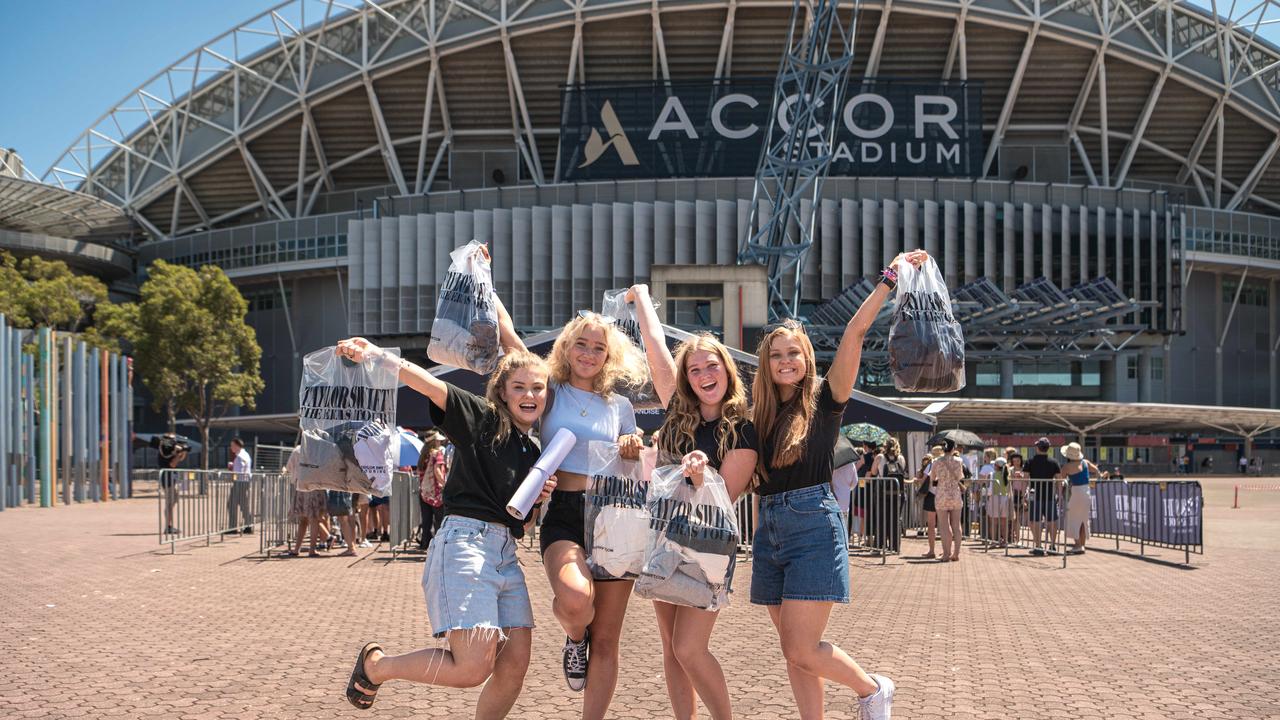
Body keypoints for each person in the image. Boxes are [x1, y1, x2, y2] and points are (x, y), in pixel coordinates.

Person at [749, 250, 926, 720]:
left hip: (812, 527)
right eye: (776, 355)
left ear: (807, 358)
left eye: (794, 354)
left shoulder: (827, 399)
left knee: (803, 647)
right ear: (766, 364)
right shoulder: (759, 414)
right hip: (767, 530)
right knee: (794, 649)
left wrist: (888, 278)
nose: (786, 361)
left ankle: (872, 689)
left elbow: (855, 332)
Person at [338, 337, 557, 716]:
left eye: (537, 387)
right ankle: (377, 666)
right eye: (519, 386)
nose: (529, 394)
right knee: (472, 668)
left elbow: (523, 522)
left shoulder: (534, 452)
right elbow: (428, 382)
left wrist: (538, 501)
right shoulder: (483, 417)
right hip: (465, 546)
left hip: (506, 555)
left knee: (514, 666)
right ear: (502, 392)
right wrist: (376, 355)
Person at [495, 297, 646, 717]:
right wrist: (484, 285)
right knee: (577, 602)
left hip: (613, 515)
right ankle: (574, 637)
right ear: (566, 347)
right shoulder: (550, 387)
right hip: (562, 509)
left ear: (610, 355)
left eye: (599, 348)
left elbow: (637, 455)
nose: (589, 353)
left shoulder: (619, 405)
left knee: (609, 639)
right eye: (582, 344)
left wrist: (633, 446)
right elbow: (512, 344)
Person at [627, 284, 759, 720]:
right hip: (664, 540)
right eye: (695, 368)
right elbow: (654, 345)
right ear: (687, 377)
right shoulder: (675, 412)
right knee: (671, 648)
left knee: (689, 647)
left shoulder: (742, 429)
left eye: (712, 365)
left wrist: (701, 478)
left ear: (727, 370)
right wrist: (642, 297)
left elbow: (727, 498)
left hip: (707, 549)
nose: (704, 374)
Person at [1057, 442, 1106, 554]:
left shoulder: (1066, 467)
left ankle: (1078, 545)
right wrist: (1100, 476)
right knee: (1083, 520)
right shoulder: (1085, 463)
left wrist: (1059, 495)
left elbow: (1061, 482)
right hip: (1086, 491)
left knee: (1073, 519)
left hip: (1075, 492)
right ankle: (1082, 545)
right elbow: (1098, 472)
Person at [931, 440, 966, 562]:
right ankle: (956, 553)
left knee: (944, 525)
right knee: (956, 525)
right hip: (955, 495)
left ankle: (946, 553)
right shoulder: (959, 461)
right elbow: (960, 477)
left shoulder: (936, 462)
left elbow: (933, 478)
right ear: (953, 448)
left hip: (942, 495)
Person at [1025, 437, 1061, 556]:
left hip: (1034, 494)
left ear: (1037, 448)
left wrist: (1023, 494)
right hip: (1050, 495)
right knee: (1052, 521)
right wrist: (1060, 495)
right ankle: (1052, 545)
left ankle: (1038, 545)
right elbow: (1059, 480)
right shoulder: (1054, 462)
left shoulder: (1030, 461)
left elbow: (1025, 479)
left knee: (1035, 521)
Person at [418, 431, 448, 551]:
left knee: (426, 520)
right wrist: (445, 484)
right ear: (435, 441)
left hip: (424, 492)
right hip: (436, 492)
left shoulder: (423, 455)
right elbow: (437, 470)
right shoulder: (437, 454)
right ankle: (438, 545)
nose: (440, 441)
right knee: (439, 520)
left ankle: (424, 543)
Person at [157, 433, 189, 535]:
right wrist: (177, 453)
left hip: (171, 478)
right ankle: (168, 526)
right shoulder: (164, 450)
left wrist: (183, 451)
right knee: (169, 503)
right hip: (167, 478)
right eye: (171, 439)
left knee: (173, 500)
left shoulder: (169, 450)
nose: (173, 441)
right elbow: (172, 464)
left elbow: (180, 459)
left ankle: (169, 525)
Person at [226, 437, 254, 534]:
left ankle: (233, 527)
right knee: (243, 504)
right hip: (244, 482)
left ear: (237, 445)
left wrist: (231, 468)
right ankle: (248, 525)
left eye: (232, 445)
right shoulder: (245, 454)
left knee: (232, 504)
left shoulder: (239, 457)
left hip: (239, 482)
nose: (231, 448)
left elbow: (239, 472)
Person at [917, 450, 941, 557]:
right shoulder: (946, 463)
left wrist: (918, 480)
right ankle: (947, 550)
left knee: (931, 524)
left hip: (932, 495)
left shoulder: (931, 465)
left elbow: (924, 480)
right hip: (944, 495)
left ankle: (932, 550)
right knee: (946, 524)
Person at [986, 456, 1011, 547]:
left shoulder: (992, 474)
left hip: (994, 498)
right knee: (1004, 522)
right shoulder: (1007, 476)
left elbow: (989, 489)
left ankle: (993, 541)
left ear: (996, 465)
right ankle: (1005, 541)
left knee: (993, 522)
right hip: (1005, 498)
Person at [1008, 453, 1029, 546]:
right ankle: (1012, 537)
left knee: (1017, 518)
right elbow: (1008, 482)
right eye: (1014, 461)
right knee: (1012, 518)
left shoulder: (1024, 470)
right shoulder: (1010, 470)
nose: (1016, 463)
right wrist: (1013, 476)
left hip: (1021, 495)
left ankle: (1018, 538)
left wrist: (1023, 497)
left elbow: (1027, 481)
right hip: (1012, 495)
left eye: (1018, 461)